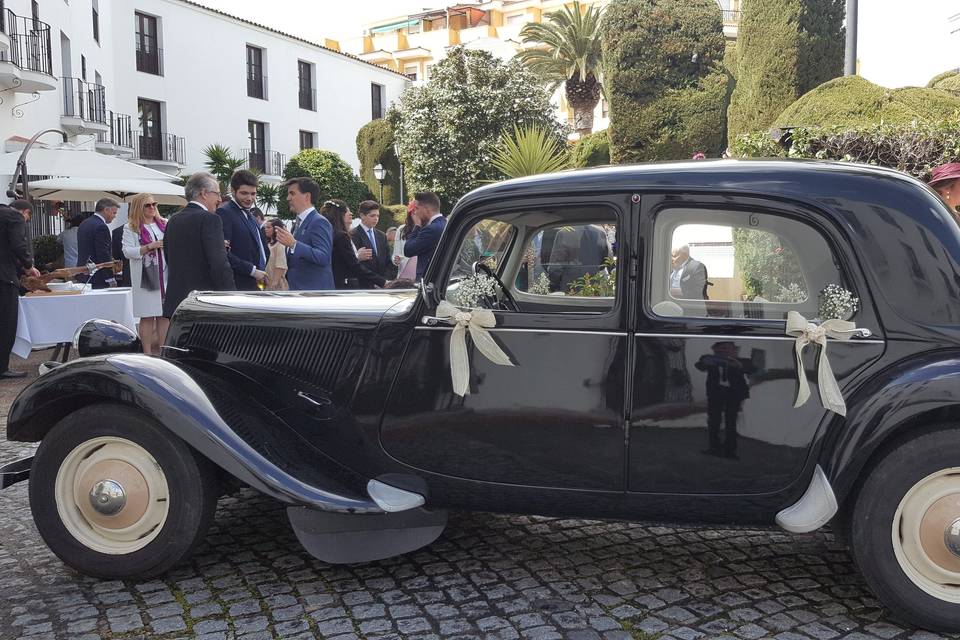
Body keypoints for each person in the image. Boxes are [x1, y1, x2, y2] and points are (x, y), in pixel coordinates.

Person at [162, 172, 235, 318]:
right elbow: (219, 264)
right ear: (204, 193)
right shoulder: (210, 219)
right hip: (205, 303)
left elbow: (169, 258)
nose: (220, 199)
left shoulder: (173, 221)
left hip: (178, 302)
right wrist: (232, 296)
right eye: (217, 194)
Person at [122, 193, 168, 354]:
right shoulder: (131, 227)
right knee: (147, 315)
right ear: (138, 208)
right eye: (147, 205)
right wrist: (149, 246)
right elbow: (127, 251)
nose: (152, 207)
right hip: (145, 277)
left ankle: (163, 352)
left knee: (164, 315)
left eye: (154, 204)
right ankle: (147, 353)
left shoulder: (164, 224)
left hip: (165, 274)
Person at [1, 200, 40, 379]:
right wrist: (28, 265)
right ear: (25, 212)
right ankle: (2, 367)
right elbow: (18, 245)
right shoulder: (14, 218)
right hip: (4, 278)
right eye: (28, 217)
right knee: (6, 323)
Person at [274, 178, 334, 291]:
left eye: (292, 193)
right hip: (299, 293)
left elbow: (323, 256)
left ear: (307, 196)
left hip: (314, 295)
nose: (288, 198)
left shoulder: (319, 222)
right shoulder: (297, 223)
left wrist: (294, 244)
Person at [217, 169, 268, 291]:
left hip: (256, 283)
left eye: (253, 194)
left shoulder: (249, 214)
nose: (250, 198)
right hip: (239, 285)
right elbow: (223, 253)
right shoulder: (224, 213)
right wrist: (253, 271)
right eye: (244, 193)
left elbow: (259, 247)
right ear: (233, 191)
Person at [321, 199, 383, 289]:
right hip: (343, 284)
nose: (351, 214)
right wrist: (382, 281)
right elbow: (353, 264)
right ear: (340, 215)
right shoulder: (342, 236)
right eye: (347, 211)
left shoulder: (330, 233)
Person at [350, 200, 397, 288]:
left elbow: (388, 262)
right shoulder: (353, 235)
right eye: (372, 216)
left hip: (383, 286)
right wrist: (379, 281)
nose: (376, 218)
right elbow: (358, 266)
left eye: (377, 216)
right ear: (362, 216)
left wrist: (385, 281)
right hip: (364, 287)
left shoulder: (382, 235)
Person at [403, 192, 446, 282]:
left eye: (417, 208)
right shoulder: (445, 224)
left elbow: (408, 250)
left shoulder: (431, 229)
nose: (416, 212)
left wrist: (417, 225)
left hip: (428, 282)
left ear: (427, 209)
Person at [77, 197, 119, 288]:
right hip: (97, 276)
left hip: (83, 273)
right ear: (106, 210)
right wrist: (110, 278)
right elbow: (103, 254)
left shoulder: (84, 223)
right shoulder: (101, 227)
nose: (115, 216)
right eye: (114, 213)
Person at [392, 205, 418, 281]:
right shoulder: (401, 229)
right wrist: (395, 260)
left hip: (421, 274)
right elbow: (395, 254)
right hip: (404, 274)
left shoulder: (427, 229)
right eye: (413, 213)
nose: (415, 215)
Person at [263, 218, 288, 290]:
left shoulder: (280, 244)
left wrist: (274, 283)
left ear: (276, 229)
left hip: (277, 285)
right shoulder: (268, 244)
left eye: (268, 227)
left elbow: (281, 265)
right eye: (265, 227)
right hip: (267, 282)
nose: (266, 229)